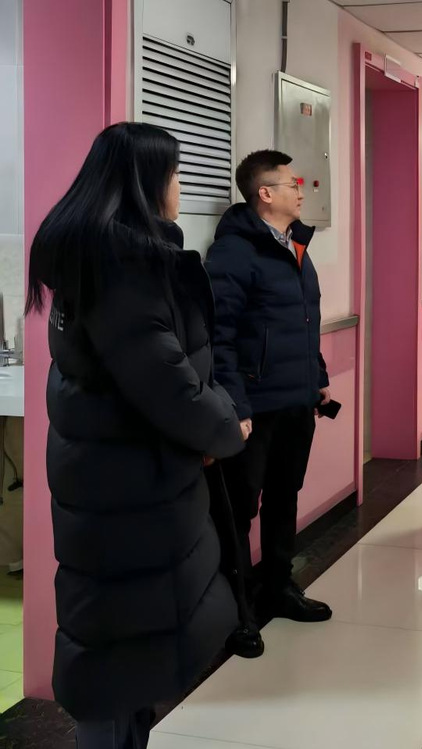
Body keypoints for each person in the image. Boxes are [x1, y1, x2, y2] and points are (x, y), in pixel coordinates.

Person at [26, 122, 249, 748]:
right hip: (130, 495)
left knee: (122, 656)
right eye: (175, 176)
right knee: (117, 665)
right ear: (146, 183)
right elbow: (170, 385)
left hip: (117, 485)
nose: (180, 189)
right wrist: (226, 426)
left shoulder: (96, 261)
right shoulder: (125, 271)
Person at [205, 150, 333, 658]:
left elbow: (304, 322)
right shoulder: (234, 253)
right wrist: (236, 406)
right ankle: (236, 612)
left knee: (285, 496)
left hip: (295, 400)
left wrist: (318, 379)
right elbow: (219, 336)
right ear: (265, 193)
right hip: (253, 407)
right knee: (238, 510)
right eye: (291, 184)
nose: (301, 192)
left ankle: (279, 587)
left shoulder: (296, 246)